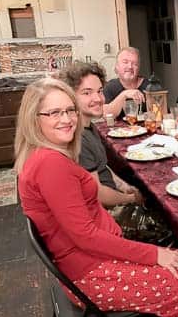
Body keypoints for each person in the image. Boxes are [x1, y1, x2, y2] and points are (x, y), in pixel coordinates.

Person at [15, 78, 178, 317]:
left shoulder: (45, 156)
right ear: (34, 119)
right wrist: (155, 254)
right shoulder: (50, 165)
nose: (67, 119)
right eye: (55, 113)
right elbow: (86, 237)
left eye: (70, 110)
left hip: (87, 263)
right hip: (88, 275)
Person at [60, 62, 144, 208]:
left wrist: (124, 186)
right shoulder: (78, 138)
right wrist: (131, 199)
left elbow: (102, 167)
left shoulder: (89, 127)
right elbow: (98, 195)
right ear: (70, 96)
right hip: (105, 212)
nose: (98, 98)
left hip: (113, 195)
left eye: (99, 91)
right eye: (87, 93)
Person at [103, 47, 146, 118]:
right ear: (117, 66)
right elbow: (106, 115)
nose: (130, 67)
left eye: (134, 64)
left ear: (138, 68)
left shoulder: (149, 86)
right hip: (118, 129)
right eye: (125, 62)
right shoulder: (110, 87)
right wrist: (124, 94)